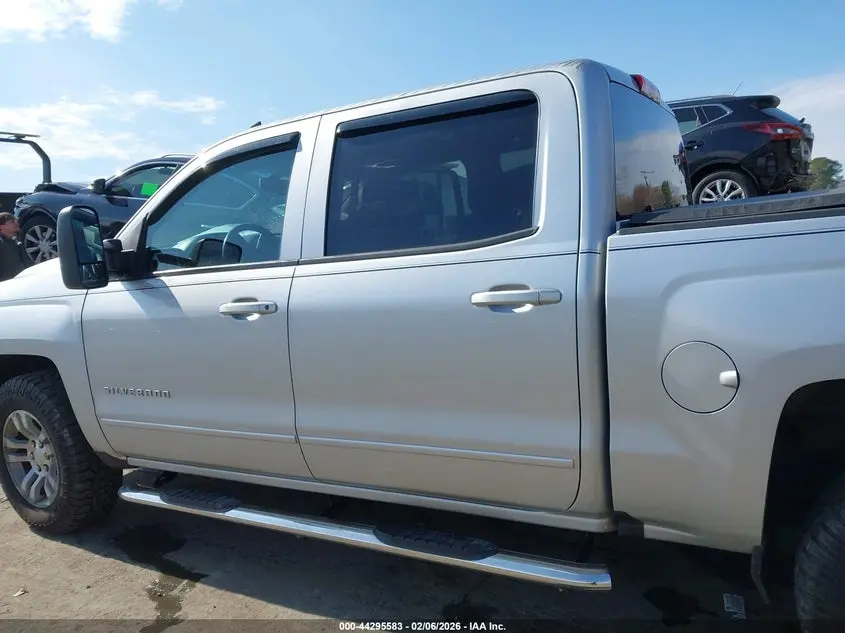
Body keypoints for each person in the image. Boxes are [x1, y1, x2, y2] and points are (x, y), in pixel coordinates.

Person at [0, 212, 28, 281]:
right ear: (1, 226)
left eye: (16, 220)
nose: (16, 223)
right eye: (12, 222)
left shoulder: (15, 241)